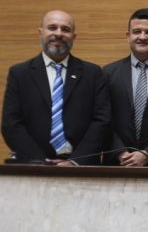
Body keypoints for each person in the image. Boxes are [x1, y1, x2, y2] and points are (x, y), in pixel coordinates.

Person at [2, 10, 109, 165]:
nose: (58, 34)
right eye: (52, 28)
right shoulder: (20, 74)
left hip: (82, 169)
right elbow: (11, 124)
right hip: (33, 167)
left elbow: (102, 122)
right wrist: (41, 162)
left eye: (65, 29)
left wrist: (75, 162)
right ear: (40, 32)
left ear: (74, 36)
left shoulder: (93, 73)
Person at [103, 8, 148, 166]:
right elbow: (103, 119)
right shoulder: (108, 73)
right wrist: (120, 151)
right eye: (137, 31)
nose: (142, 37)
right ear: (127, 36)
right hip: (117, 164)